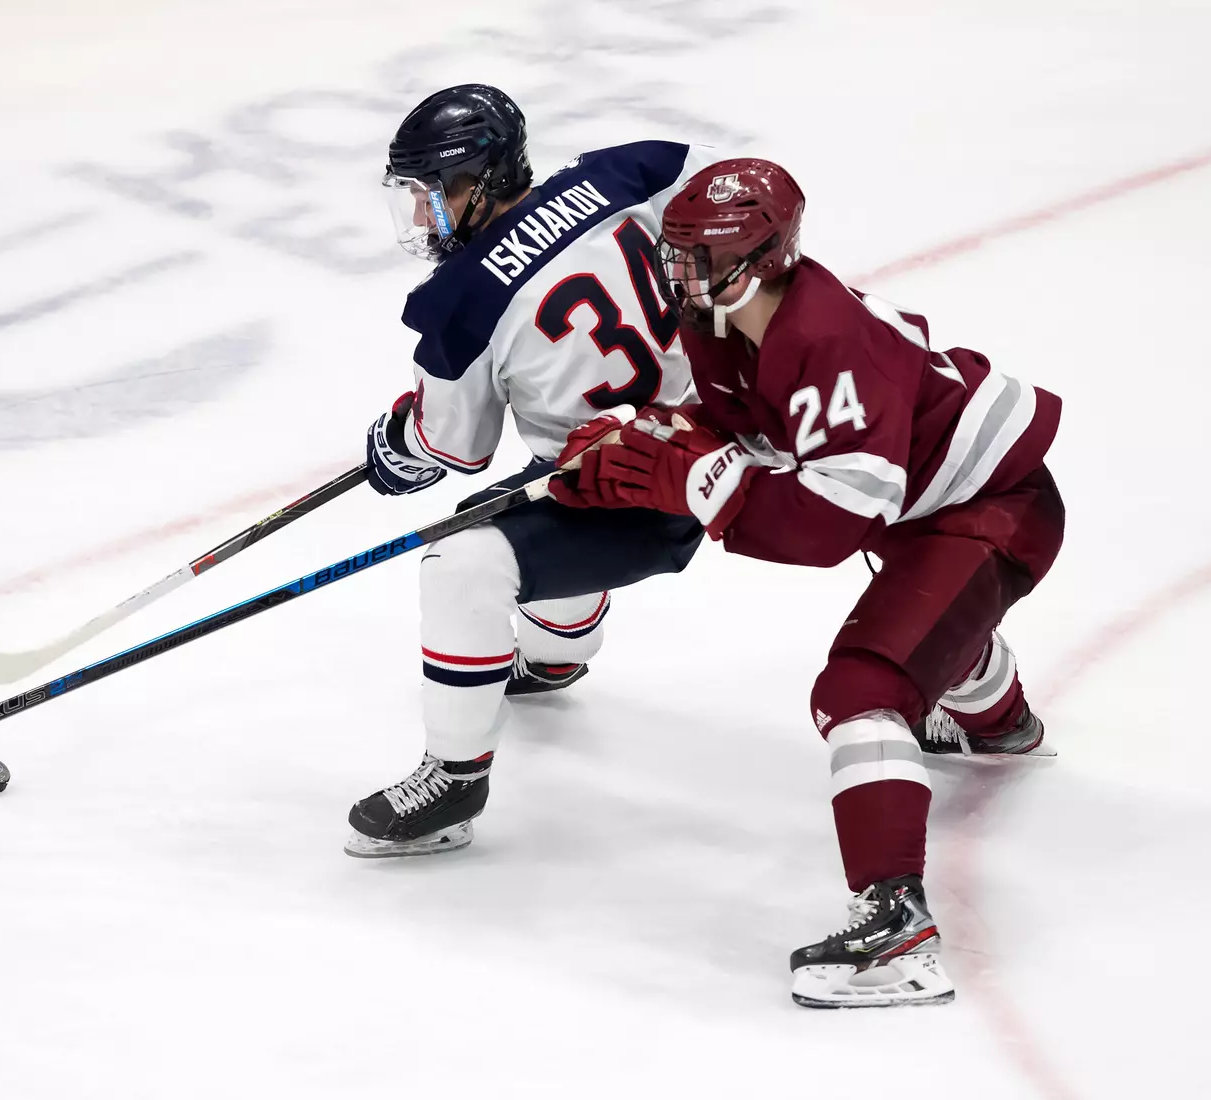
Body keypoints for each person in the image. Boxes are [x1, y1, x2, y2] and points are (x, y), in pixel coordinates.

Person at [551, 158, 1064, 1007]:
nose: (683, 274)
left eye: (702, 258)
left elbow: (831, 525)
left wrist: (685, 479)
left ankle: (899, 932)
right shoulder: (719, 325)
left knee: (859, 691)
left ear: (764, 257)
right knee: (924, 627)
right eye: (676, 254)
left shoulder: (829, 344)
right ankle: (1001, 724)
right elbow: (733, 426)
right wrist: (631, 441)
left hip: (990, 512)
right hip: (927, 512)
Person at [349, 84, 718, 858]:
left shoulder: (461, 301)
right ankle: (554, 659)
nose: (424, 217)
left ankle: (453, 781)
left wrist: (396, 444)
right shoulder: (624, 175)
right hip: (724, 443)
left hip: (623, 498)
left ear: (481, 178)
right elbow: (717, 199)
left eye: (433, 193)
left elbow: (454, 450)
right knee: (541, 487)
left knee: (467, 552)